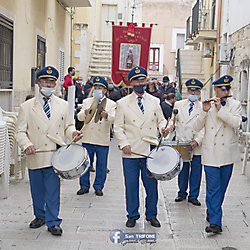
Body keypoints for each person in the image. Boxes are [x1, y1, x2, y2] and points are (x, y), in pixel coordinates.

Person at [15, 66, 82, 236]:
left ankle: (53, 221)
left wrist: (72, 133)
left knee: (53, 189)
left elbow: (68, 126)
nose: (49, 85)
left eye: (52, 82)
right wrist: (26, 144)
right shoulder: (26, 106)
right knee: (37, 189)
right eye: (45, 81)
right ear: (38, 83)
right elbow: (20, 131)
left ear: (55, 85)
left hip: (54, 154)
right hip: (36, 153)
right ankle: (40, 216)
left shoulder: (63, 105)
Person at [114, 66, 169, 228]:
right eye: (137, 81)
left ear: (147, 82)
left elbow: (161, 120)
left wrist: (164, 128)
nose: (140, 83)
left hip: (149, 151)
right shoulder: (122, 103)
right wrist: (124, 144)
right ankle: (132, 214)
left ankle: (151, 214)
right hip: (130, 151)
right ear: (131, 83)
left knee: (151, 185)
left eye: (143, 80)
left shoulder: (154, 101)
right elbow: (118, 127)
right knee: (131, 185)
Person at [193, 75, 242, 234]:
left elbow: (235, 123)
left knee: (222, 189)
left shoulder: (235, 105)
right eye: (223, 89)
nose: (226, 91)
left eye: (228, 88)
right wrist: (204, 112)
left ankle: (212, 211)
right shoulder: (205, 104)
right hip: (211, 154)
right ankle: (215, 222)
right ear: (216, 90)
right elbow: (196, 126)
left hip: (227, 153)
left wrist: (221, 110)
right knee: (213, 188)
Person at [76, 76, 116, 197]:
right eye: (96, 88)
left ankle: (98, 186)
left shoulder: (111, 104)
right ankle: (84, 186)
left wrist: (106, 115)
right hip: (88, 137)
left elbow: (115, 119)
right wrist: (85, 113)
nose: (97, 90)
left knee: (101, 165)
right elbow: (79, 117)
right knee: (85, 163)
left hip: (102, 138)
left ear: (105, 90)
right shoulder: (86, 102)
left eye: (100, 88)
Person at [168, 79, 204, 206]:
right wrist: (170, 129)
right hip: (182, 142)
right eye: (190, 90)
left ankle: (193, 195)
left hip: (196, 144)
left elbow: (204, 126)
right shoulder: (179, 105)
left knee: (196, 171)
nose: (192, 93)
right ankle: (181, 192)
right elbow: (173, 120)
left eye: (195, 91)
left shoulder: (203, 107)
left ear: (199, 93)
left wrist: (197, 141)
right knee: (182, 170)